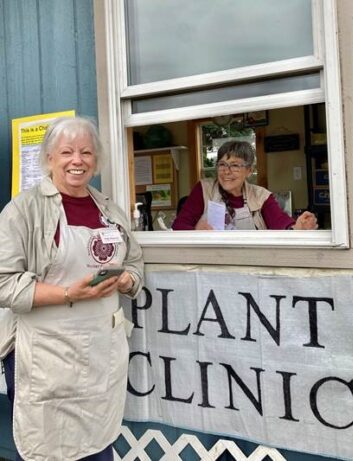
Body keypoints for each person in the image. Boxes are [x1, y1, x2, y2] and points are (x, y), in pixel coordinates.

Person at [0, 116, 144, 461]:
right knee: (49, 447)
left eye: (86, 153)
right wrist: (68, 294)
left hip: (99, 351)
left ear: (96, 160)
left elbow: (135, 262)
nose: (77, 161)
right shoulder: (23, 210)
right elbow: (4, 283)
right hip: (45, 352)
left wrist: (126, 280)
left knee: (96, 445)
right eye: (67, 152)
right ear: (49, 159)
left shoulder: (109, 209)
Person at [172, 140, 317, 231]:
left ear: (249, 170)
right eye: (222, 165)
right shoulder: (204, 189)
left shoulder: (261, 196)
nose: (226, 172)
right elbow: (179, 226)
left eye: (234, 165)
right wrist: (194, 230)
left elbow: (280, 222)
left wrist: (297, 228)